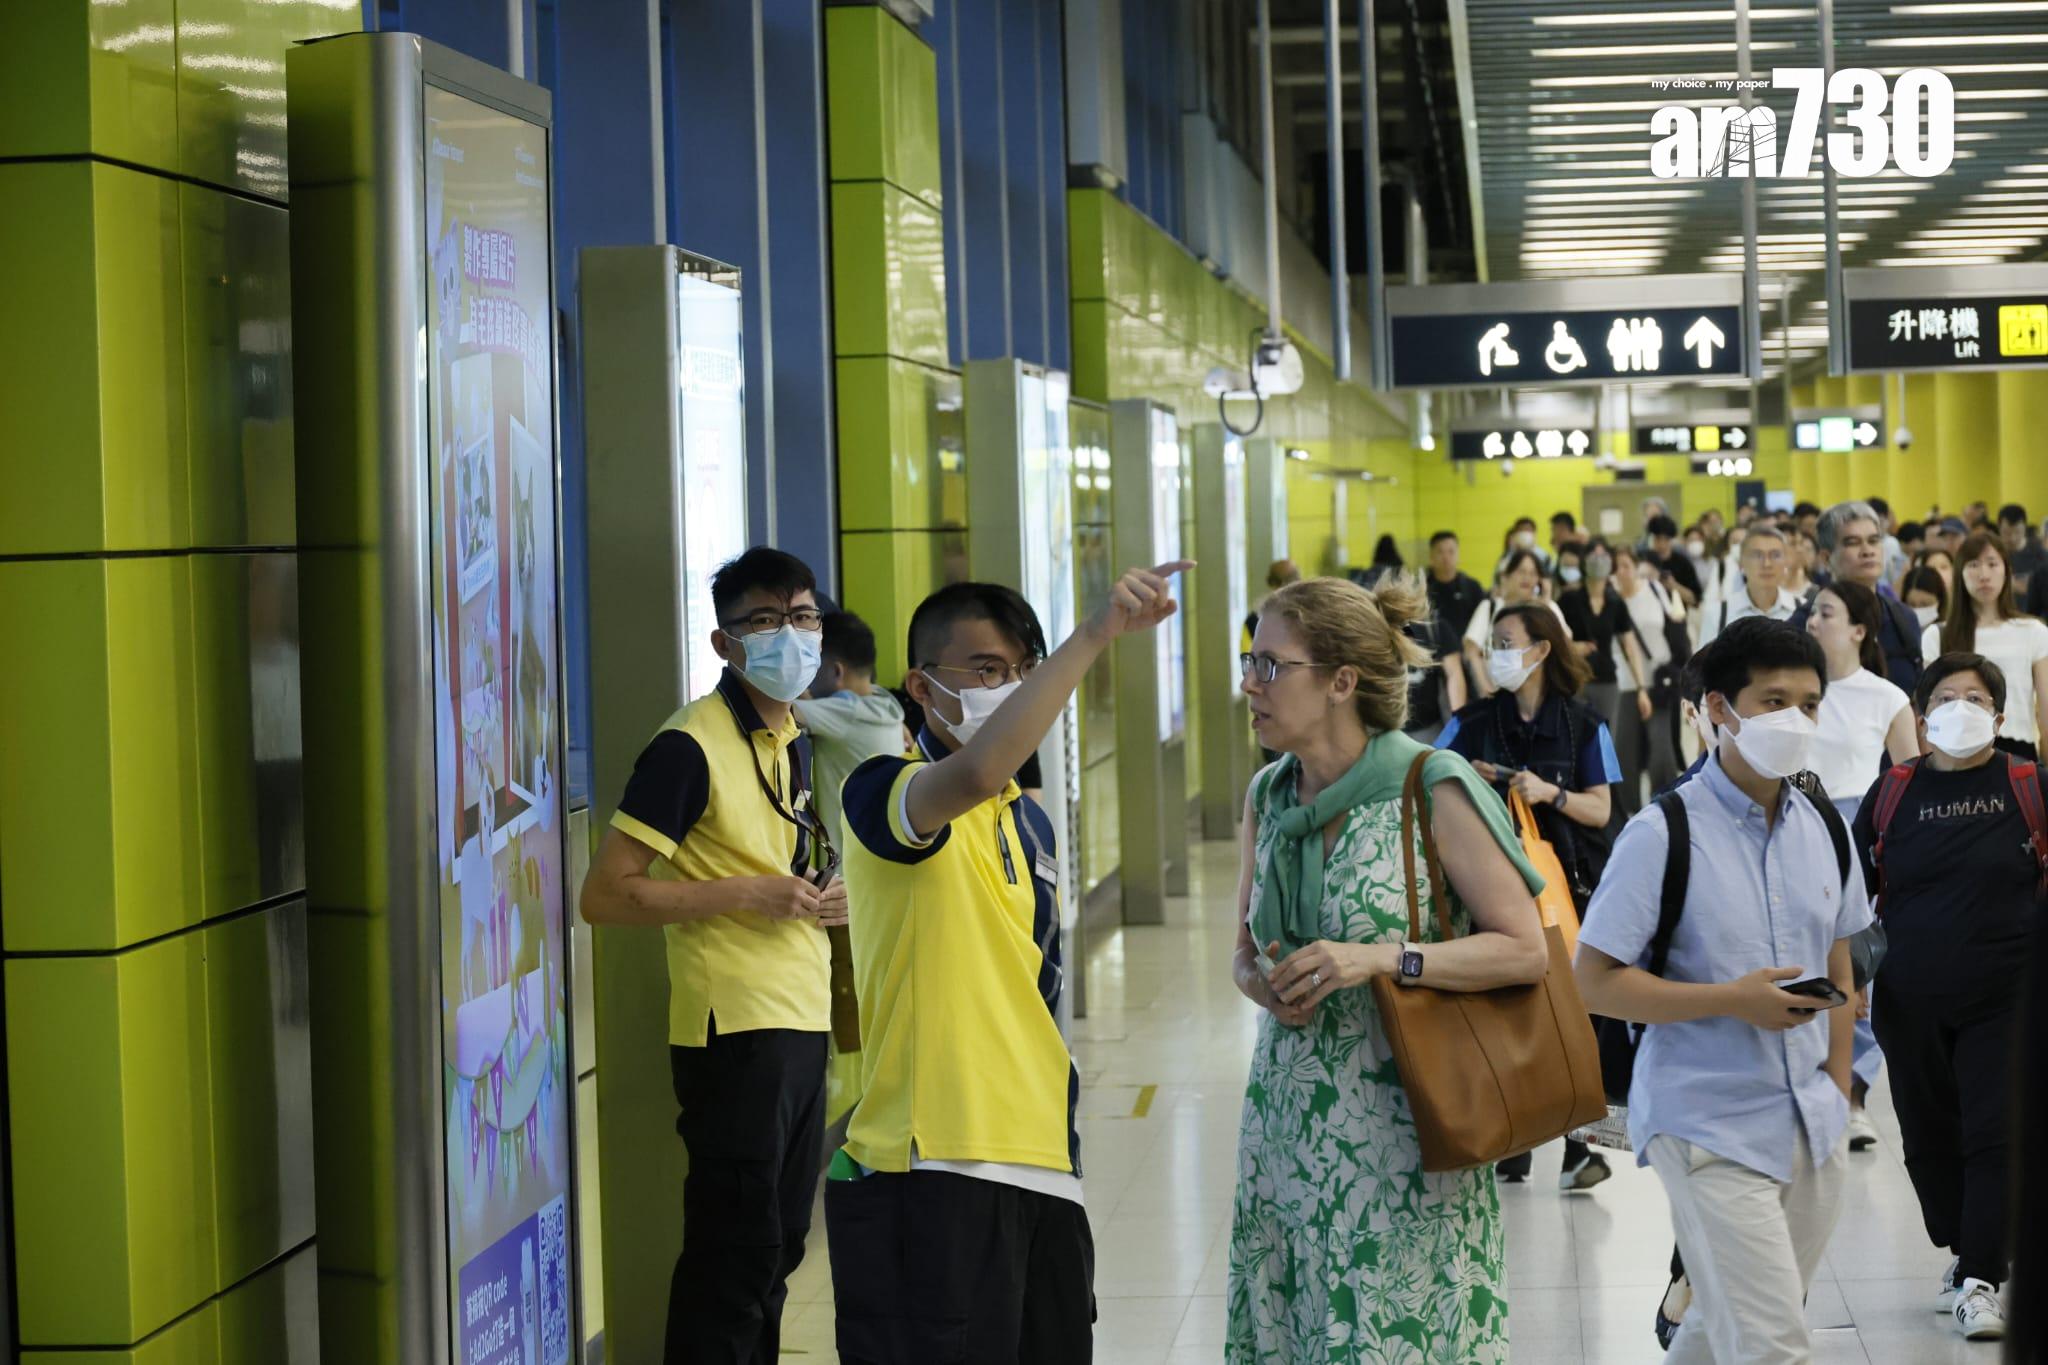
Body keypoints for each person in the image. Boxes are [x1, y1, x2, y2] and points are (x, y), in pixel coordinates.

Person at [826, 564, 1187, 1364]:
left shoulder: (1029, 823)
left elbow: (1036, 990)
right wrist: (1092, 634)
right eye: (988, 670)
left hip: (1043, 1166)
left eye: (1022, 671)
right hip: (932, 1164)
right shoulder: (887, 790)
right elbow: (980, 767)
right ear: (921, 686)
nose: (1012, 688)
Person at [1229, 576, 1550, 1363]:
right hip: (1288, 1125)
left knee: (1398, 1333)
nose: (1250, 684)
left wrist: (1381, 957)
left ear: (1341, 681)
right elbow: (1242, 948)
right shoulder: (1269, 795)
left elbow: (1524, 947)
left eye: (1272, 665)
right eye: (1251, 661)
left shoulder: (1430, 786)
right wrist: (1259, 981)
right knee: (1298, 1326)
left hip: (1408, 1128)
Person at [1576, 616, 1869, 1365]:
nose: (1794, 720)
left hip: (1811, 1120)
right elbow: (1592, 979)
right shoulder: (1663, 831)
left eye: (1808, 703)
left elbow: (1847, 962)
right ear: (1716, 709)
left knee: (1719, 1331)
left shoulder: (1825, 830)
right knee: (1773, 1346)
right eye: (1772, 700)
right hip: (1705, 1120)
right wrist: (1730, 999)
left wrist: (1840, 1088)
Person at [579, 548, 847, 1364]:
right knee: (733, 1258)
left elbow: (777, 860)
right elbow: (605, 894)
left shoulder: (795, 735)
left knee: (778, 1253)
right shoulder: (687, 747)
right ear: (724, 643)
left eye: (802, 617)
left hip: (799, 1019)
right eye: (764, 622)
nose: (790, 635)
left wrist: (820, 893)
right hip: (733, 1030)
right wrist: (743, 893)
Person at [1853, 653, 2040, 1341]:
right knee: (1930, 1139)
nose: (1962, 706)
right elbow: (1851, 893)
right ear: (1923, 714)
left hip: (2009, 995)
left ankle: (1982, 1276)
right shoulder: (1893, 791)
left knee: (1994, 1132)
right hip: (1909, 998)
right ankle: (1967, 1247)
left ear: (1998, 713)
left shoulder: (2027, 783)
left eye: (1977, 696)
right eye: (1947, 695)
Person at [1438, 603, 1623, 1192]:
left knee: (1579, 1016)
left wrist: (1551, 793)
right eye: (1492, 642)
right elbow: (1422, 774)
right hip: (1490, 891)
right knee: (1504, 1013)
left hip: (1568, 887)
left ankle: (1584, 1149)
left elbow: (1603, 807)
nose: (1495, 654)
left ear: (1541, 651)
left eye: (1506, 642)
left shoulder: (1587, 725)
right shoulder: (1470, 722)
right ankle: (1511, 1146)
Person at [794, 612, 914, 1122]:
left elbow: (780, 710)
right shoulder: (888, 709)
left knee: (851, 1016)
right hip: (880, 884)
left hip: (846, 891)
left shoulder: (842, 712)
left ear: (837, 671)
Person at [1922, 531, 2048, 760]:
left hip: (2017, 751)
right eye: (1973, 565)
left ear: (2007, 571)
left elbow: (2046, 712)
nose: (1984, 575)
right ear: (1960, 573)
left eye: (1992, 564)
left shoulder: (2033, 631)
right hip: (1955, 752)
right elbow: (1930, 710)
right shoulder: (1938, 634)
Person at [1795, 501, 1925, 694]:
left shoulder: (1904, 619)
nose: (1867, 551)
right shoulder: (1804, 624)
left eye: (1873, 540)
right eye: (1853, 543)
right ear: (1825, 558)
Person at [1558, 537, 1653, 743]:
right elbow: (1554, 638)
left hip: (1606, 680)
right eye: (1594, 555)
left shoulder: (1615, 602)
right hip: (1576, 681)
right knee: (1573, 740)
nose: (1599, 560)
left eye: (1604, 555)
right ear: (1585, 560)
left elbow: (1630, 645)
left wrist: (1641, 689)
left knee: (1604, 742)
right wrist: (1573, 647)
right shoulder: (1569, 599)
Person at [1613, 543, 1684, 812]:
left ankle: (1664, 807)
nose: (1622, 573)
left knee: (1661, 753)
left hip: (1660, 680)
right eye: (1616, 567)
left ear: (1635, 566)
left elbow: (1674, 624)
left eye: (1626, 566)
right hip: (1626, 682)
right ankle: (1630, 813)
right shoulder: (1608, 600)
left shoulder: (1654, 590)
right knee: (1625, 755)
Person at [1463, 549, 1570, 699]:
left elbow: (1565, 647)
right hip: (1494, 696)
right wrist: (1485, 690)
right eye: (1521, 571)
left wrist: (1545, 604)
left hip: (1541, 698)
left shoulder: (1549, 607)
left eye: (1533, 573)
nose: (1527, 578)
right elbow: (1472, 652)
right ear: (1506, 576)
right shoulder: (1490, 607)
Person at [1698, 523, 1799, 647]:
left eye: (1775, 555)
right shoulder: (1717, 614)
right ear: (1741, 563)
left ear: (1785, 562)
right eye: (1757, 555)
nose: (1767, 564)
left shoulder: (1802, 610)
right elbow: (1703, 665)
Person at [1644, 514, 1704, 608]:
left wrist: (1674, 586)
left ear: (1671, 540)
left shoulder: (1683, 563)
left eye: (1666, 540)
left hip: (1677, 615)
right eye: (1658, 539)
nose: (1662, 544)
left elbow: (1695, 599)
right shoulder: (1644, 560)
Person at [2001, 502, 2048, 596]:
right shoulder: (1995, 555)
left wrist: (2015, 586)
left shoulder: (2040, 554)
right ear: (1999, 529)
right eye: (2006, 533)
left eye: (2017, 532)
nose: (2012, 538)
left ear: (2025, 528)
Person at [1900, 565, 1948, 635]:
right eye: (1912, 604)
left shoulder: (1952, 635)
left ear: (1939, 601)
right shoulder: (1897, 637)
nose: (1917, 610)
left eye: (1925, 604)